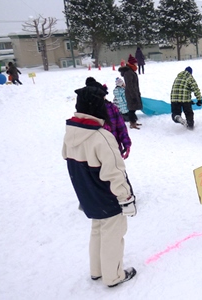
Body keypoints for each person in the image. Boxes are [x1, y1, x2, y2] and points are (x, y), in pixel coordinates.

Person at [62, 85, 137, 288]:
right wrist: (126, 198)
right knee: (113, 233)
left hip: (88, 194)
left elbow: (69, 161)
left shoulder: (70, 134)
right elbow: (115, 172)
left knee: (97, 230)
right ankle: (113, 276)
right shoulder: (102, 137)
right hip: (107, 195)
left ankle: (97, 270)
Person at [85, 77, 132, 159]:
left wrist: (126, 144)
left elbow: (121, 128)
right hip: (95, 155)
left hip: (114, 150)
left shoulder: (111, 108)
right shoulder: (86, 112)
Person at [118, 54, 143, 129]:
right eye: (135, 63)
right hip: (131, 94)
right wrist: (133, 95)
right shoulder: (128, 72)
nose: (137, 65)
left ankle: (134, 121)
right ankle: (132, 123)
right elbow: (130, 86)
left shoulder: (130, 71)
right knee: (132, 109)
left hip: (133, 93)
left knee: (133, 108)